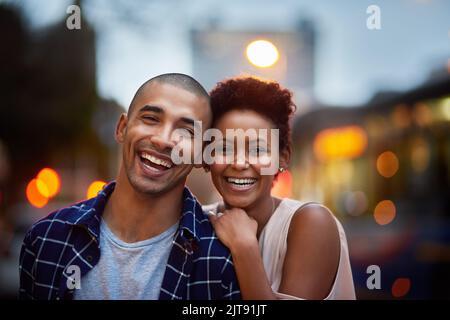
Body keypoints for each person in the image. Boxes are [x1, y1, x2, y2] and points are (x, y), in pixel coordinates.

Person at [19, 73, 241, 300]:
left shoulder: (222, 261)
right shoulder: (46, 239)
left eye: (187, 131)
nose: (164, 140)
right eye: (151, 119)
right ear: (122, 128)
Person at [203, 77, 356, 300]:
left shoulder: (312, 221)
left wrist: (244, 246)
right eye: (224, 148)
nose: (238, 163)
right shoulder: (198, 222)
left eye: (257, 150)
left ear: (282, 158)